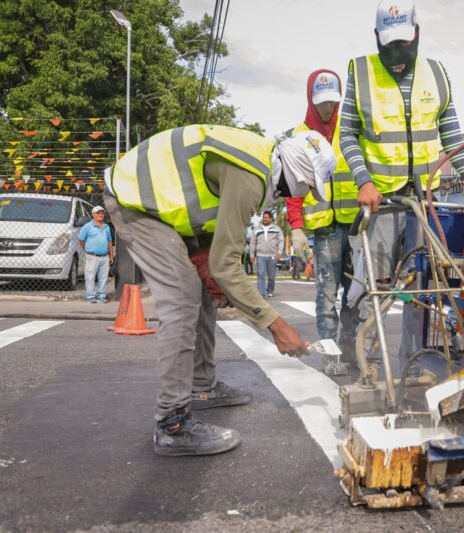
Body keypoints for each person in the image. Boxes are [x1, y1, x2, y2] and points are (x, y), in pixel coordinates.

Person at [103, 125, 335, 457]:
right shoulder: (251, 177)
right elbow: (227, 265)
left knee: (201, 292)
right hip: (134, 199)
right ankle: (173, 424)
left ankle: (202, 387)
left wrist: (210, 266)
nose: (304, 193)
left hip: (155, 205)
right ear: (299, 173)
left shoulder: (257, 164)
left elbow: (207, 221)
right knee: (183, 297)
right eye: (309, 185)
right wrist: (277, 326)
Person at [340, 0, 464, 373]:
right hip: (381, 202)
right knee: (374, 290)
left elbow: (452, 136)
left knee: (422, 291)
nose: (397, 52)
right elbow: (347, 134)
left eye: (403, 42)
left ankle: (412, 369)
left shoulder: (436, 73)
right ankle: (367, 366)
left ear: (417, 34)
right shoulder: (361, 72)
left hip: (426, 202)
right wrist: (363, 180)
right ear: (376, 39)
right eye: (389, 44)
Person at [283, 69, 359, 356]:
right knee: (327, 293)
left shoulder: (351, 131)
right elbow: (293, 187)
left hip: (356, 226)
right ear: (310, 100)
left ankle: (351, 347)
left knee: (357, 292)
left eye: (332, 102)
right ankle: (330, 350)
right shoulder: (298, 137)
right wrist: (296, 226)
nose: (328, 108)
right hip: (325, 229)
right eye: (321, 103)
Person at [77, 205, 113, 303]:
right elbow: (81, 240)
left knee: (103, 278)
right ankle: (91, 297)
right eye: (98, 213)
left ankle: (101, 296)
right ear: (93, 214)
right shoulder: (87, 227)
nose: (100, 214)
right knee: (90, 277)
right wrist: (88, 249)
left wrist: (111, 255)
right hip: (92, 256)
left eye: (102, 213)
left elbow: (109, 241)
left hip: (105, 256)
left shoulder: (106, 227)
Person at [250, 210, 283, 299]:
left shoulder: (276, 229)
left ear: (271, 219)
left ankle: (270, 291)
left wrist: (279, 252)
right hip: (260, 255)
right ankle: (261, 293)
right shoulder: (257, 229)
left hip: (272, 255)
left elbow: (281, 241)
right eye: (263, 217)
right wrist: (252, 254)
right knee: (260, 274)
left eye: (266, 217)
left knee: (271, 275)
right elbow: (252, 242)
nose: (264, 219)